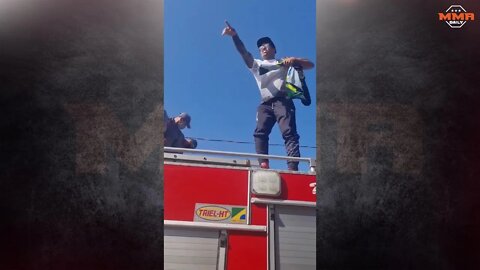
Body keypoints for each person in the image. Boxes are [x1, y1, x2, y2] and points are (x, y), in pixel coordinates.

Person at [222, 21, 314, 171]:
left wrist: (295, 61)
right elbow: (244, 52)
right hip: (265, 103)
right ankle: (263, 163)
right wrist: (234, 36)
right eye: (260, 47)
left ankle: (292, 166)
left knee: (289, 132)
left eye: (266, 45)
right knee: (260, 132)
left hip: (283, 101)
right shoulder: (256, 65)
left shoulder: (283, 62)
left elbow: (310, 65)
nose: (262, 48)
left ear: (274, 49)